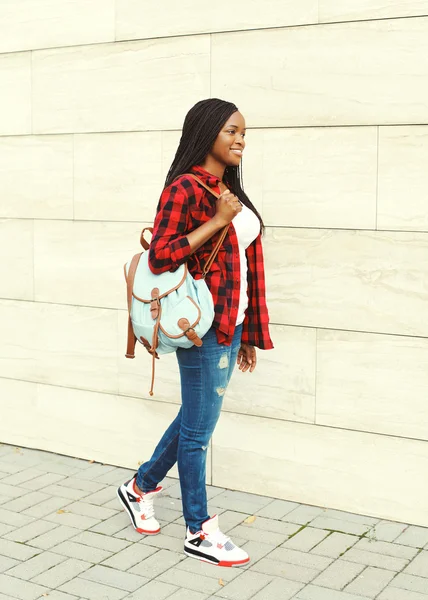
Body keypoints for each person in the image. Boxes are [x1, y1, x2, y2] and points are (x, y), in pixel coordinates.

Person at [117, 98, 273, 567]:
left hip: (231, 320)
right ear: (206, 132)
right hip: (201, 326)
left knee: (195, 417)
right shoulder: (186, 189)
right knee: (200, 427)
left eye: (244, 132)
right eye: (231, 131)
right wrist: (217, 221)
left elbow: (249, 268)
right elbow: (162, 255)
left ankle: (139, 486)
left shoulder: (230, 191)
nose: (240, 139)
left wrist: (249, 332)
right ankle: (199, 529)